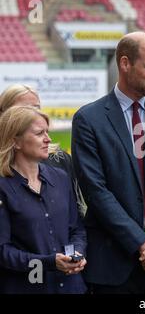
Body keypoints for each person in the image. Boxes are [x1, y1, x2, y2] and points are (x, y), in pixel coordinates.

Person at [71, 31, 145, 294]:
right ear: (125, 64)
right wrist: (142, 244)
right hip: (114, 264)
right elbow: (96, 191)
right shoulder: (88, 119)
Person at [0, 106, 87, 294]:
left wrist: (76, 254)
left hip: (71, 287)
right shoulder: (3, 187)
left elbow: (76, 229)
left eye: (47, 132)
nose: (48, 139)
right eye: (40, 133)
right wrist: (48, 263)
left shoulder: (61, 177)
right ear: (16, 141)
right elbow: (3, 252)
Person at [0, 84, 86, 216]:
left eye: (37, 108)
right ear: (4, 115)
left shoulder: (59, 159)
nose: (34, 114)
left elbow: (76, 214)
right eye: (26, 109)